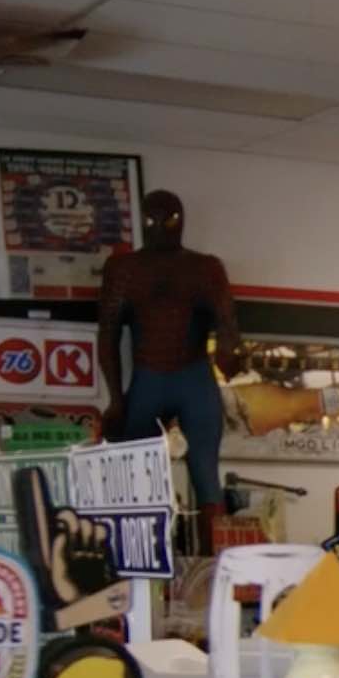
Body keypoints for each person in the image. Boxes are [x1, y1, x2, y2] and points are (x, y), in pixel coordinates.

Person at [98, 189, 243, 552]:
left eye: (169, 221)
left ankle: (215, 566)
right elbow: (108, 336)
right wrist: (116, 399)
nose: (161, 228)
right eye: (153, 221)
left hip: (188, 373)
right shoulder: (125, 269)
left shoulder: (205, 268)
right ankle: (138, 557)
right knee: (136, 476)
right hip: (154, 375)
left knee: (205, 475)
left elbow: (227, 325)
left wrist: (231, 352)